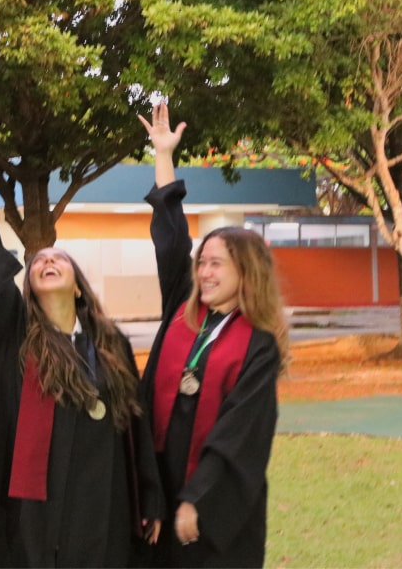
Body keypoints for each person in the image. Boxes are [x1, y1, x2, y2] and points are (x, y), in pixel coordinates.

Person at [0, 129, 163, 569]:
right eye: (38, 262)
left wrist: (148, 495)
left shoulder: (111, 342)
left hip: (106, 496)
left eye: (59, 260)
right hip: (40, 505)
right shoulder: (14, 336)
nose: (48, 261)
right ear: (29, 287)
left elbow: (137, 423)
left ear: (78, 285)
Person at [136, 104, 289, 568]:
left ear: (247, 271)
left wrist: (196, 498)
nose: (203, 271)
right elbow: (169, 240)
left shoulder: (258, 343)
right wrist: (164, 157)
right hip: (158, 486)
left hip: (216, 499)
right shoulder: (183, 310)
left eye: (216, 263)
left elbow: (240, 432)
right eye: (202, 262)